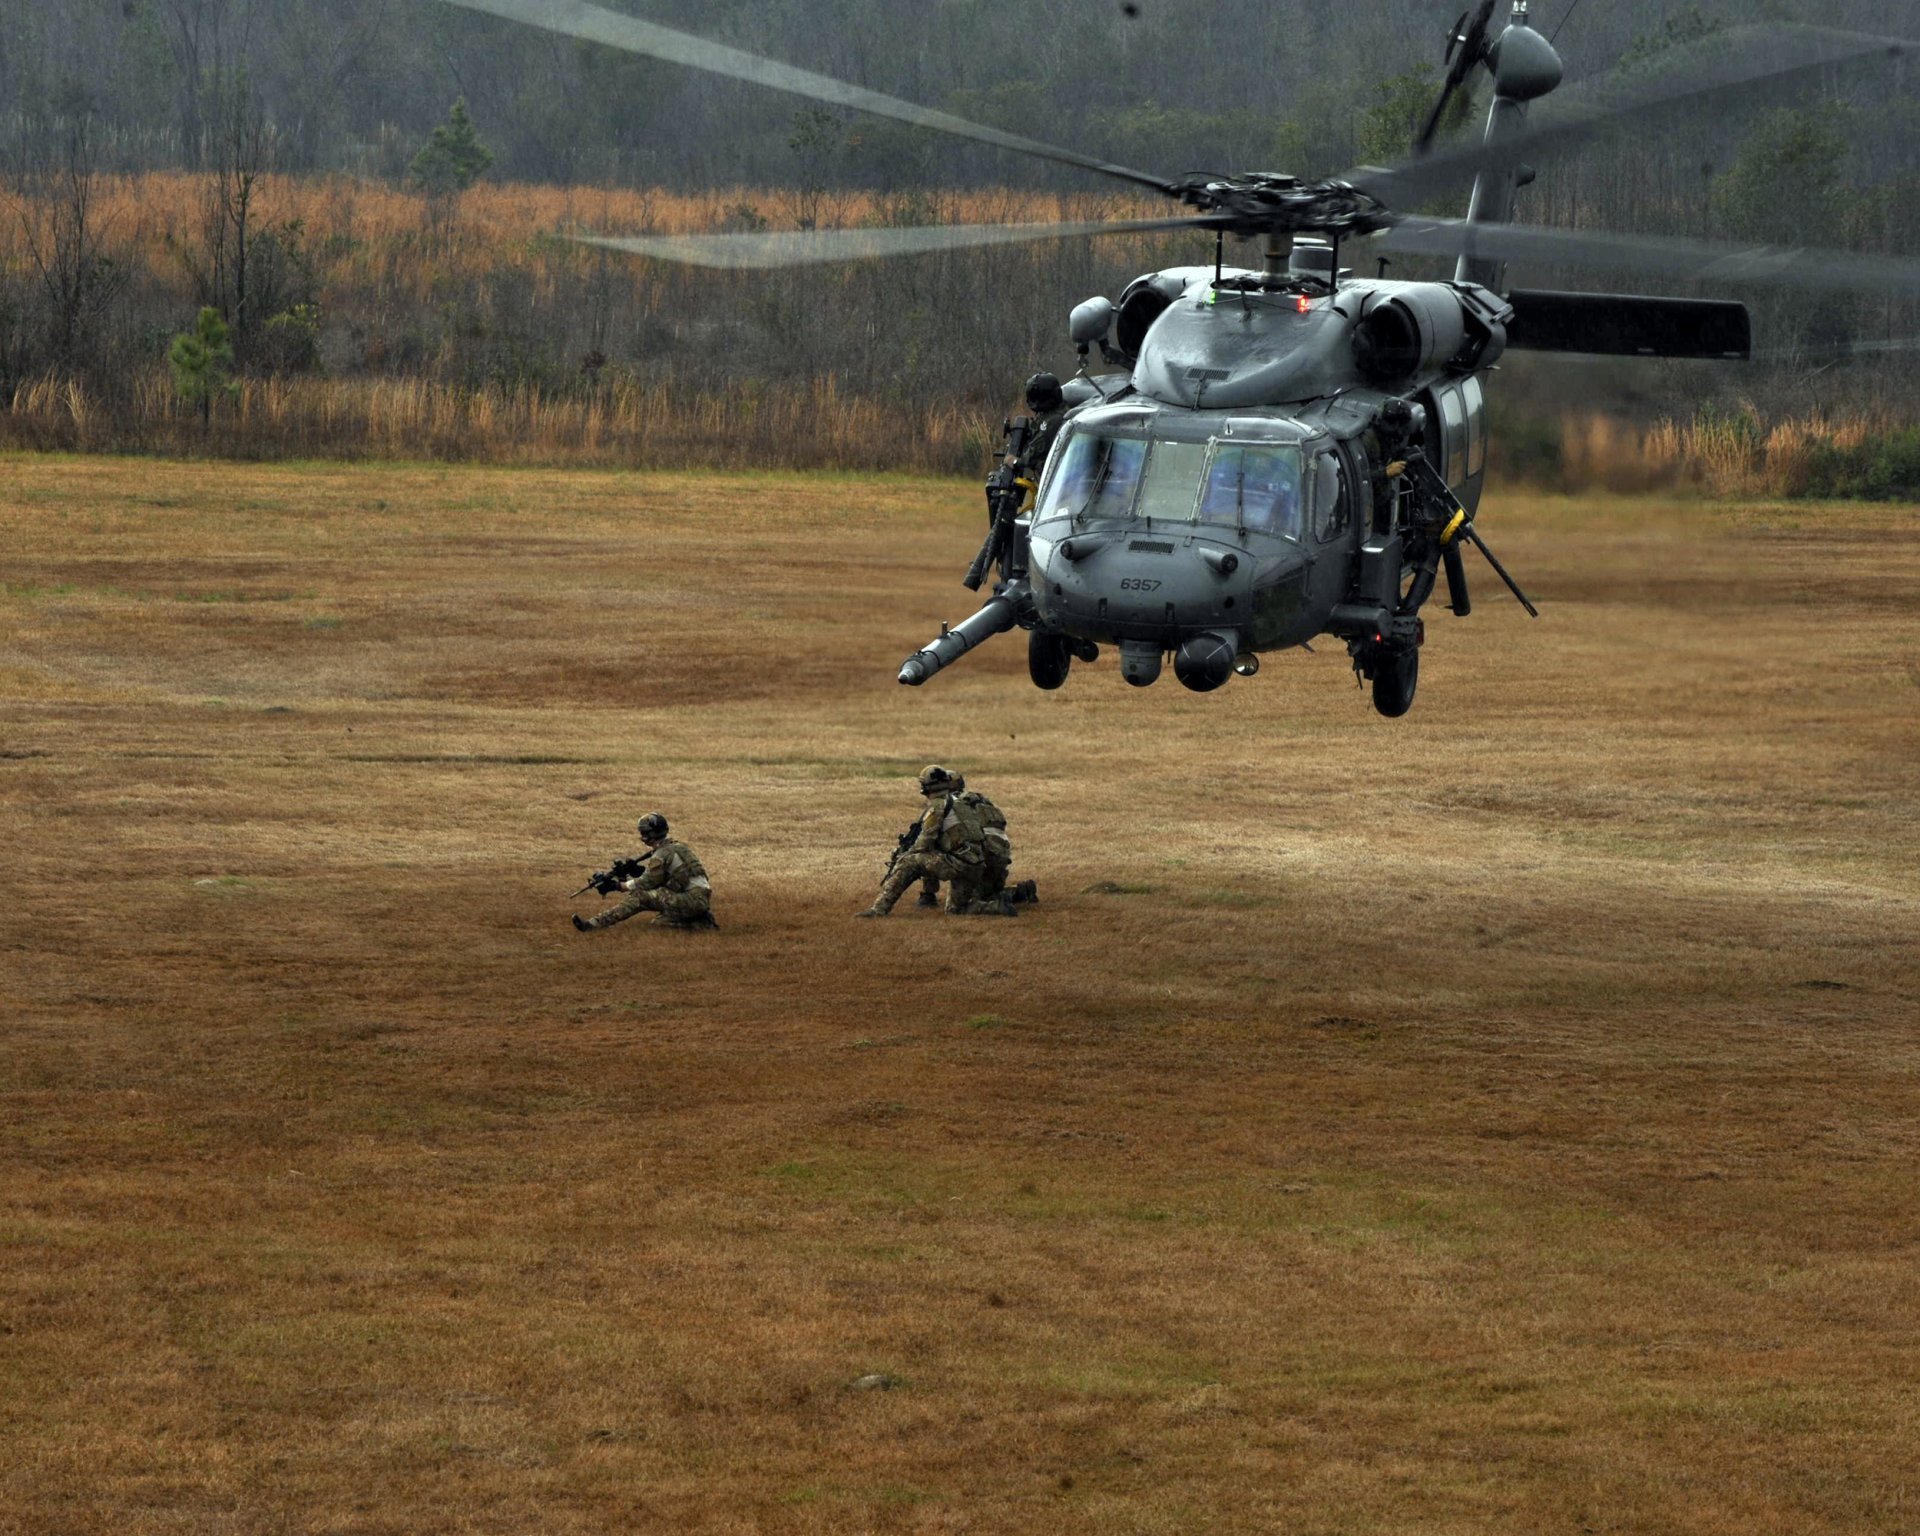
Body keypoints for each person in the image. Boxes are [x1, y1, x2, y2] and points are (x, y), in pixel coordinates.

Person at [861, 766, 1016, 918]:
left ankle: (879, 909)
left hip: (959, 864)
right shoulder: (961, 803)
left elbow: (925, 842)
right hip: (975, 865)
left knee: (909, 861)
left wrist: (904, 855)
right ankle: (997, 906)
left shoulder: (937, 806)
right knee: (955, 910)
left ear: (926, 787)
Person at [573, 813, 716, 932]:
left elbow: (647, 882)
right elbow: (664, 877)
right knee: (660, 924)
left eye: (643, 832)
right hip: (697, 899)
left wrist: (617, 886)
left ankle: (593, 924)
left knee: (639, 897)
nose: (642, 836)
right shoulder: (677, 847)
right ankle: (700, 922)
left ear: (649, 834)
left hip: (691, 899)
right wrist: (636, 871)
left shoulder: (660, 854)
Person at [916, 772, 1037, 909]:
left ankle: (928, 896)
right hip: (999, 858)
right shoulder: (981, 801)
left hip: (974, 857)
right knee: (984, 895)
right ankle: (1019, 892)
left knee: (929, 847)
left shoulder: (946, 805)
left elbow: (928, 838)